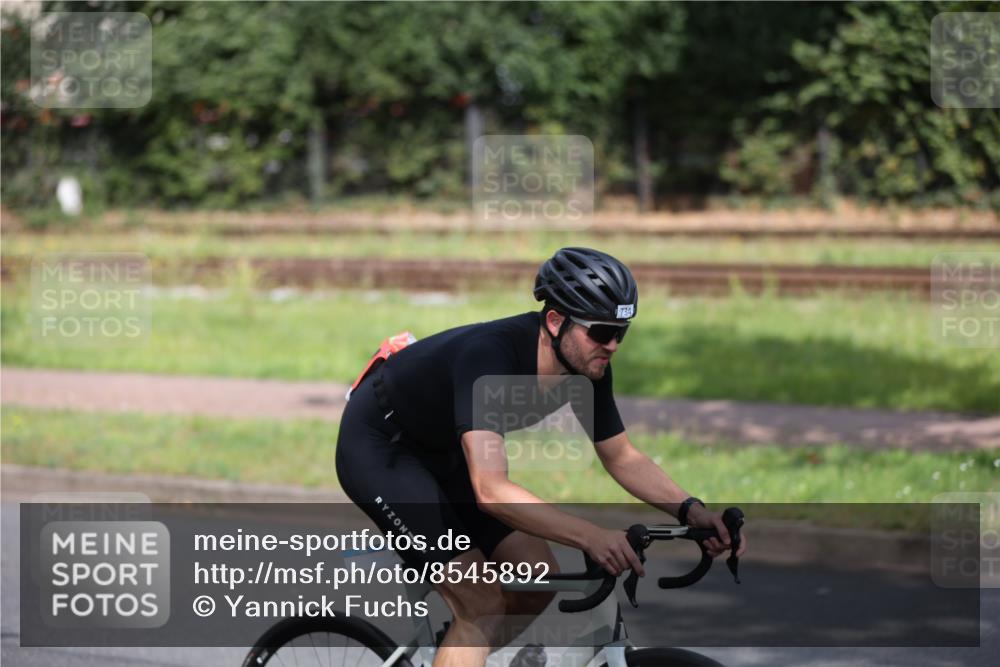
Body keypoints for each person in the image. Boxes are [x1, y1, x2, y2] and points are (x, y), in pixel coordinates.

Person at [336, 247, 748, 667]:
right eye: (602, 331)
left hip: (443, 452)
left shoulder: (587, 366)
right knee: (480, 604)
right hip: (383, 450)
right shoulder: (491, 358)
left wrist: (691, 510)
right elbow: (491, 490)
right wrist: (590, 536)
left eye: (621, 333)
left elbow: (622, 457)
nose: (612, 346)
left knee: (537, 578)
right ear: (555, 321)